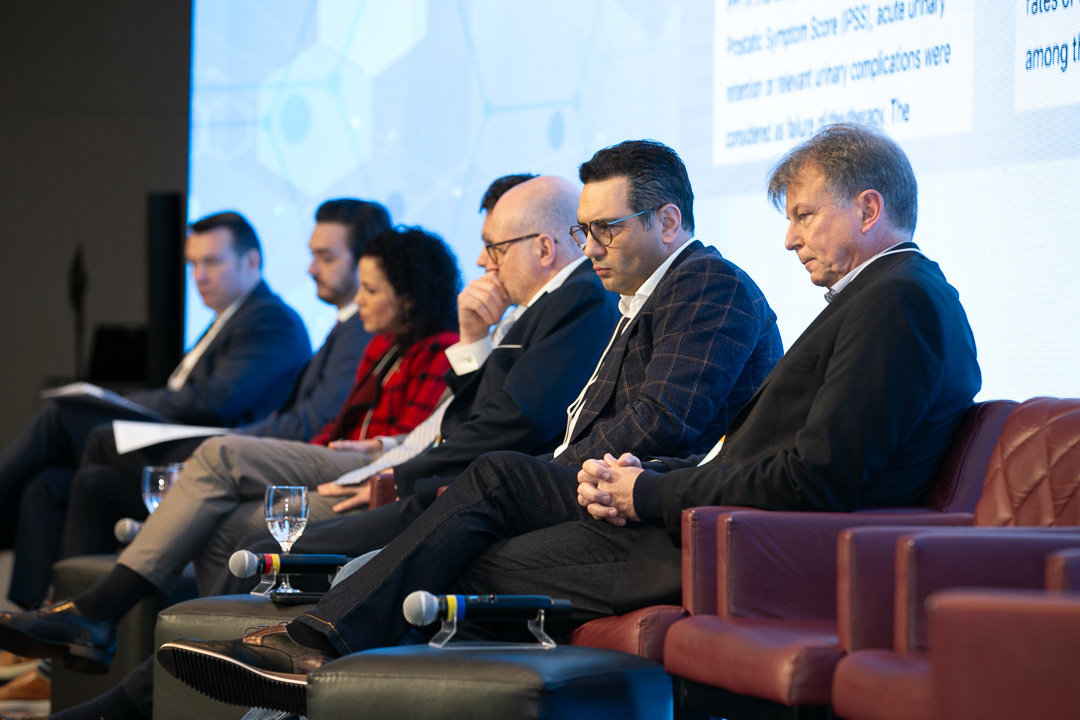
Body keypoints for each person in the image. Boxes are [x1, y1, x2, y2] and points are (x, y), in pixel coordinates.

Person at [153, 125, 979, 717]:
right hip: (712, 525)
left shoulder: (897, 300)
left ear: (868, 207)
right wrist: (652, 483)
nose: (791, 239)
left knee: (463, 547)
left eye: (804, 215)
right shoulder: (884, 298)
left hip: (730, 548)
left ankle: (307, 660)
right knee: (480, 500)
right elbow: (784, 458)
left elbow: (816, 475)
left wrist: (650, 491)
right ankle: (309, 655)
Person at [8, 199, 390, 612]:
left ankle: (85, 617)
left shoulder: (290, 322)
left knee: (76, 423)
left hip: (271, 459)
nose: (310, 268)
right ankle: (49, 621)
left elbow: (291, 416)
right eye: (193, 264)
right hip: (259, 452)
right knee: (59, 483)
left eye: (325, 257)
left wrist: (234, 443)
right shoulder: (337, 326)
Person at [0, 210, 310, 564]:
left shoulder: (271, 319)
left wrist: (127, 402)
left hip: (213, 451)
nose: (200, 276)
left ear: (251, 261)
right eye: (193, 264)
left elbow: (218, 399)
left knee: (62, 415)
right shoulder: (228, 319)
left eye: (212, 262)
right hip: (178, 440)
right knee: (47, 485)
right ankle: (49, 598)